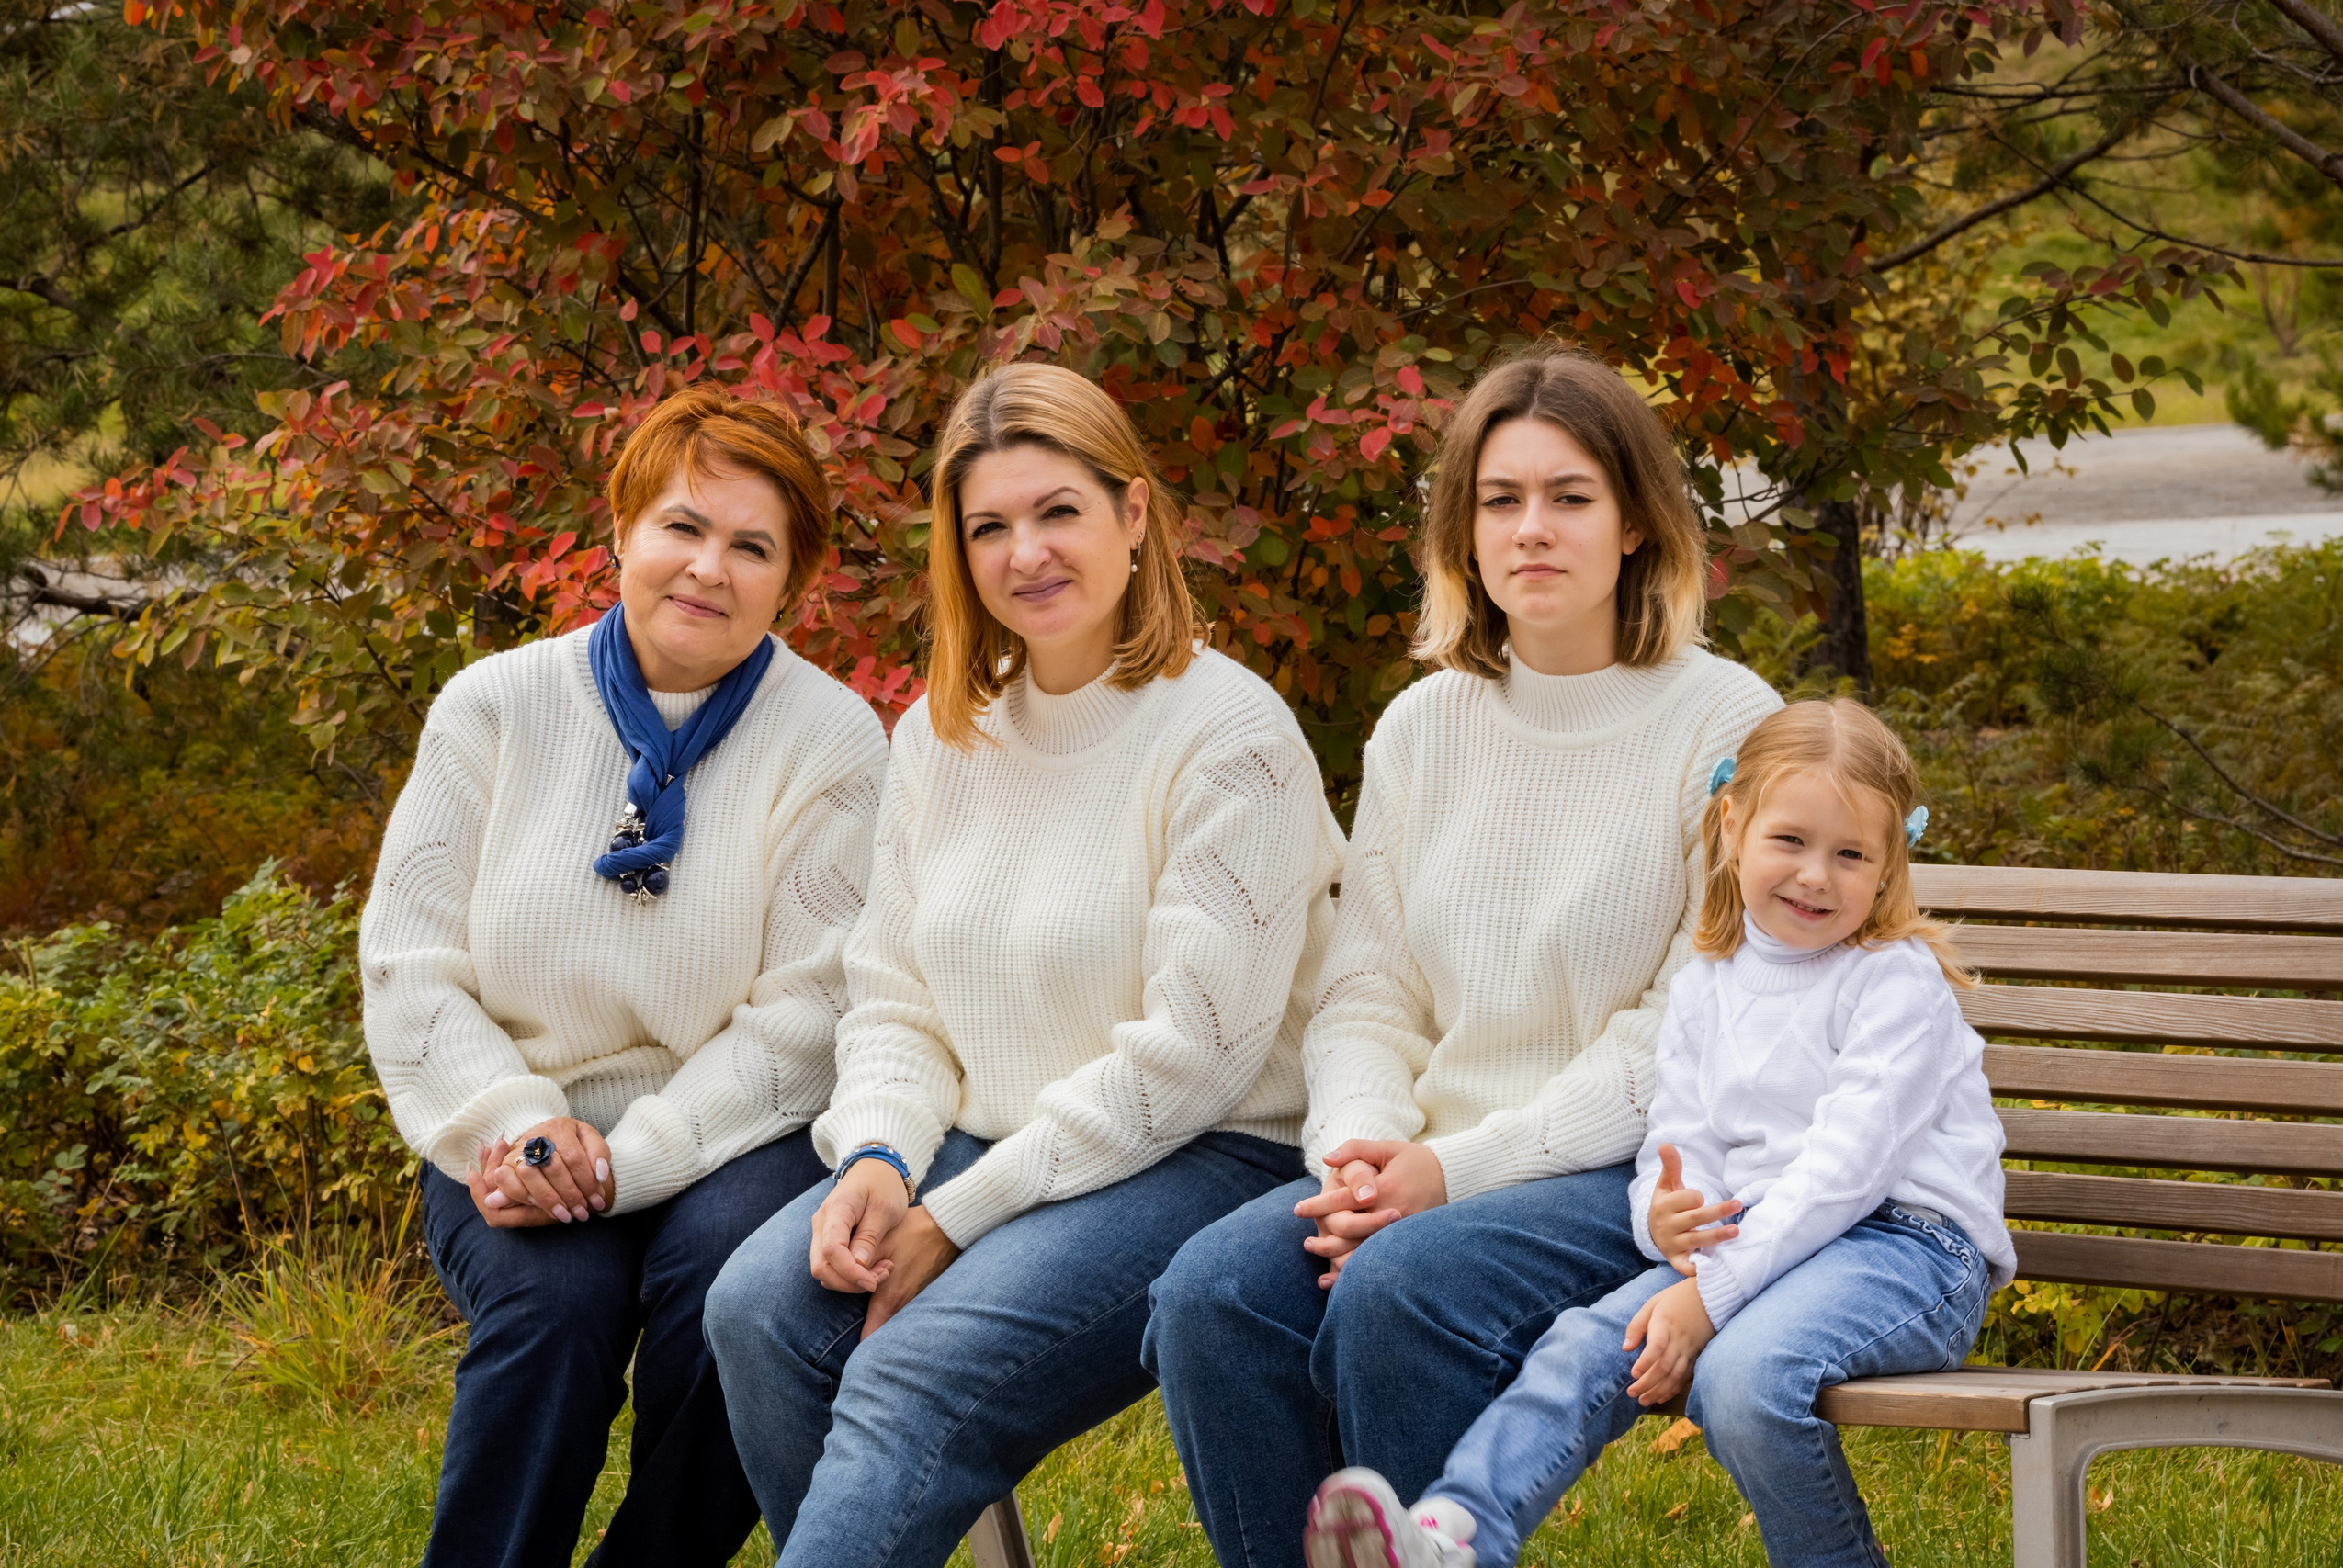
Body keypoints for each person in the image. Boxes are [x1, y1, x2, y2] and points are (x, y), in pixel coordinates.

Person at [1144, 343, 1784, 1568]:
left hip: (1631, 1176)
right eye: (1501, 499)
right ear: (1463, 529)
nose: (1531, 529)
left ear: (1639, 524)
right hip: (1422, 1163)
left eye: (1569, 496)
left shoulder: (1727, 725)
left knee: (1401, 1291)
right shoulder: (1424, 725)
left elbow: (1684, 1030)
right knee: (1213, 1292)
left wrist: (1452, 1169)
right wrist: (1357, 1157)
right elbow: (1367, 987)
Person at [703, 363, 1345, 1568]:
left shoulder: (1230, 734)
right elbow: (894, 999)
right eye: (987, 525)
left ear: (1135, 515)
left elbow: (1196, 1055)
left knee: (915, 1372)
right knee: (758, 1308)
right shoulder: (941, 733)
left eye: (1059, 511)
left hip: (1208, 1149)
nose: (1025, 552)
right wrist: (886, 1158)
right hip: (981, 1141)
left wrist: (960, 1212)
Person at [358, 387, 889, 1568]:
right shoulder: (493, 706)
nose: (708, 569)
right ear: (621, 536)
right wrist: (523, 1130)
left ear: (791, 580)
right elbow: (409, 968)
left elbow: (811, 1011)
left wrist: (633, 1159)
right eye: (682, 528)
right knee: (556, 1309)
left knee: (743, 1294)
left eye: (752, 547)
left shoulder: (834, 737)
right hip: (510, 1123)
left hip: (732, 1129)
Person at [1298, 697, 2013, 1568]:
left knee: (1743, 1377)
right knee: (1583, 1345)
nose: (1817, 876)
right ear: (1731, 826)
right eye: (1790, 841)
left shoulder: (1892, 982)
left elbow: (1846, 1170)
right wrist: (1665, 1220)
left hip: (1909, 1252)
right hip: (1757, 1242)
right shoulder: (1711, 981)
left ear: (1890, 862)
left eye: (1852, 854)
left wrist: (1708, 1298)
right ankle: (1456, 1537)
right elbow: (1680, 1142)